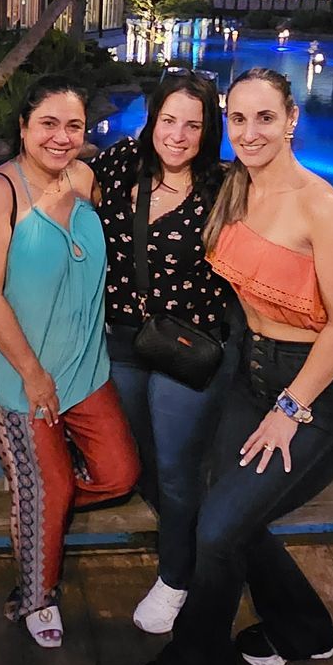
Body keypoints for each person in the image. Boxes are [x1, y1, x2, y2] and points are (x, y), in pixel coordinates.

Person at [131, 66, 333, 665]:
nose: (250, 131)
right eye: (237, 118)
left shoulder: (323, 207)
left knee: (217, 531)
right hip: (250, 375)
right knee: (231, 517)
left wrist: (292, 409)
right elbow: (152, 163)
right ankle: (304, 628)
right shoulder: (234, 188)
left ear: (292, 119)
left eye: (265, 117)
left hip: (314, 396)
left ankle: (195, 662)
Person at [0, 75, 139, 648]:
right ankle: (36, 597)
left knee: (119, 475)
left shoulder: (84, 178)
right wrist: (34, 374)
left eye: (73, 126)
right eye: (48, 123)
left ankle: (42, 510)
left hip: (87, 372)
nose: (61, 137)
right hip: (23, 380)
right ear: (22, 126)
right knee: (49, 487)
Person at [91, 71, 238, 634]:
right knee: (143, 462)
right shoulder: (122, 163)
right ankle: (201, 549)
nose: (177, 135)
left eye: (193, 125)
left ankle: (177, 576)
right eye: (168, 120)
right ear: (153, 119)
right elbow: (67, 181)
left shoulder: (223, 188)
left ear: (208, 132)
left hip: (188, 346)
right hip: (123, 340)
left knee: (177, 469)